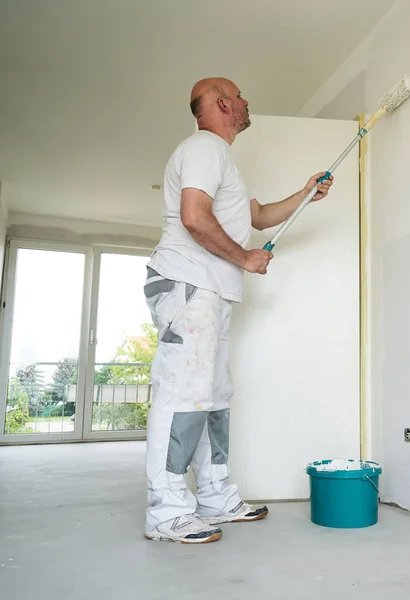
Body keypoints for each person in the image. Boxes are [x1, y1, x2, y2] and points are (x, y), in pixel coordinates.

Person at [143, 77, 333, 544]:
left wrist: (306, 192)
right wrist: (246, 258)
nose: (248, 101)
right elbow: (193, 216)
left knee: (213, 396)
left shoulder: (220, 158)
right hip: (189, 284)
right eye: (242, 95)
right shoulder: (204, 148)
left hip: (210, 292)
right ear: (225, 103)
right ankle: (166, 511)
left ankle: (214, 497)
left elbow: (259, 215)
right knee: (183, 395)